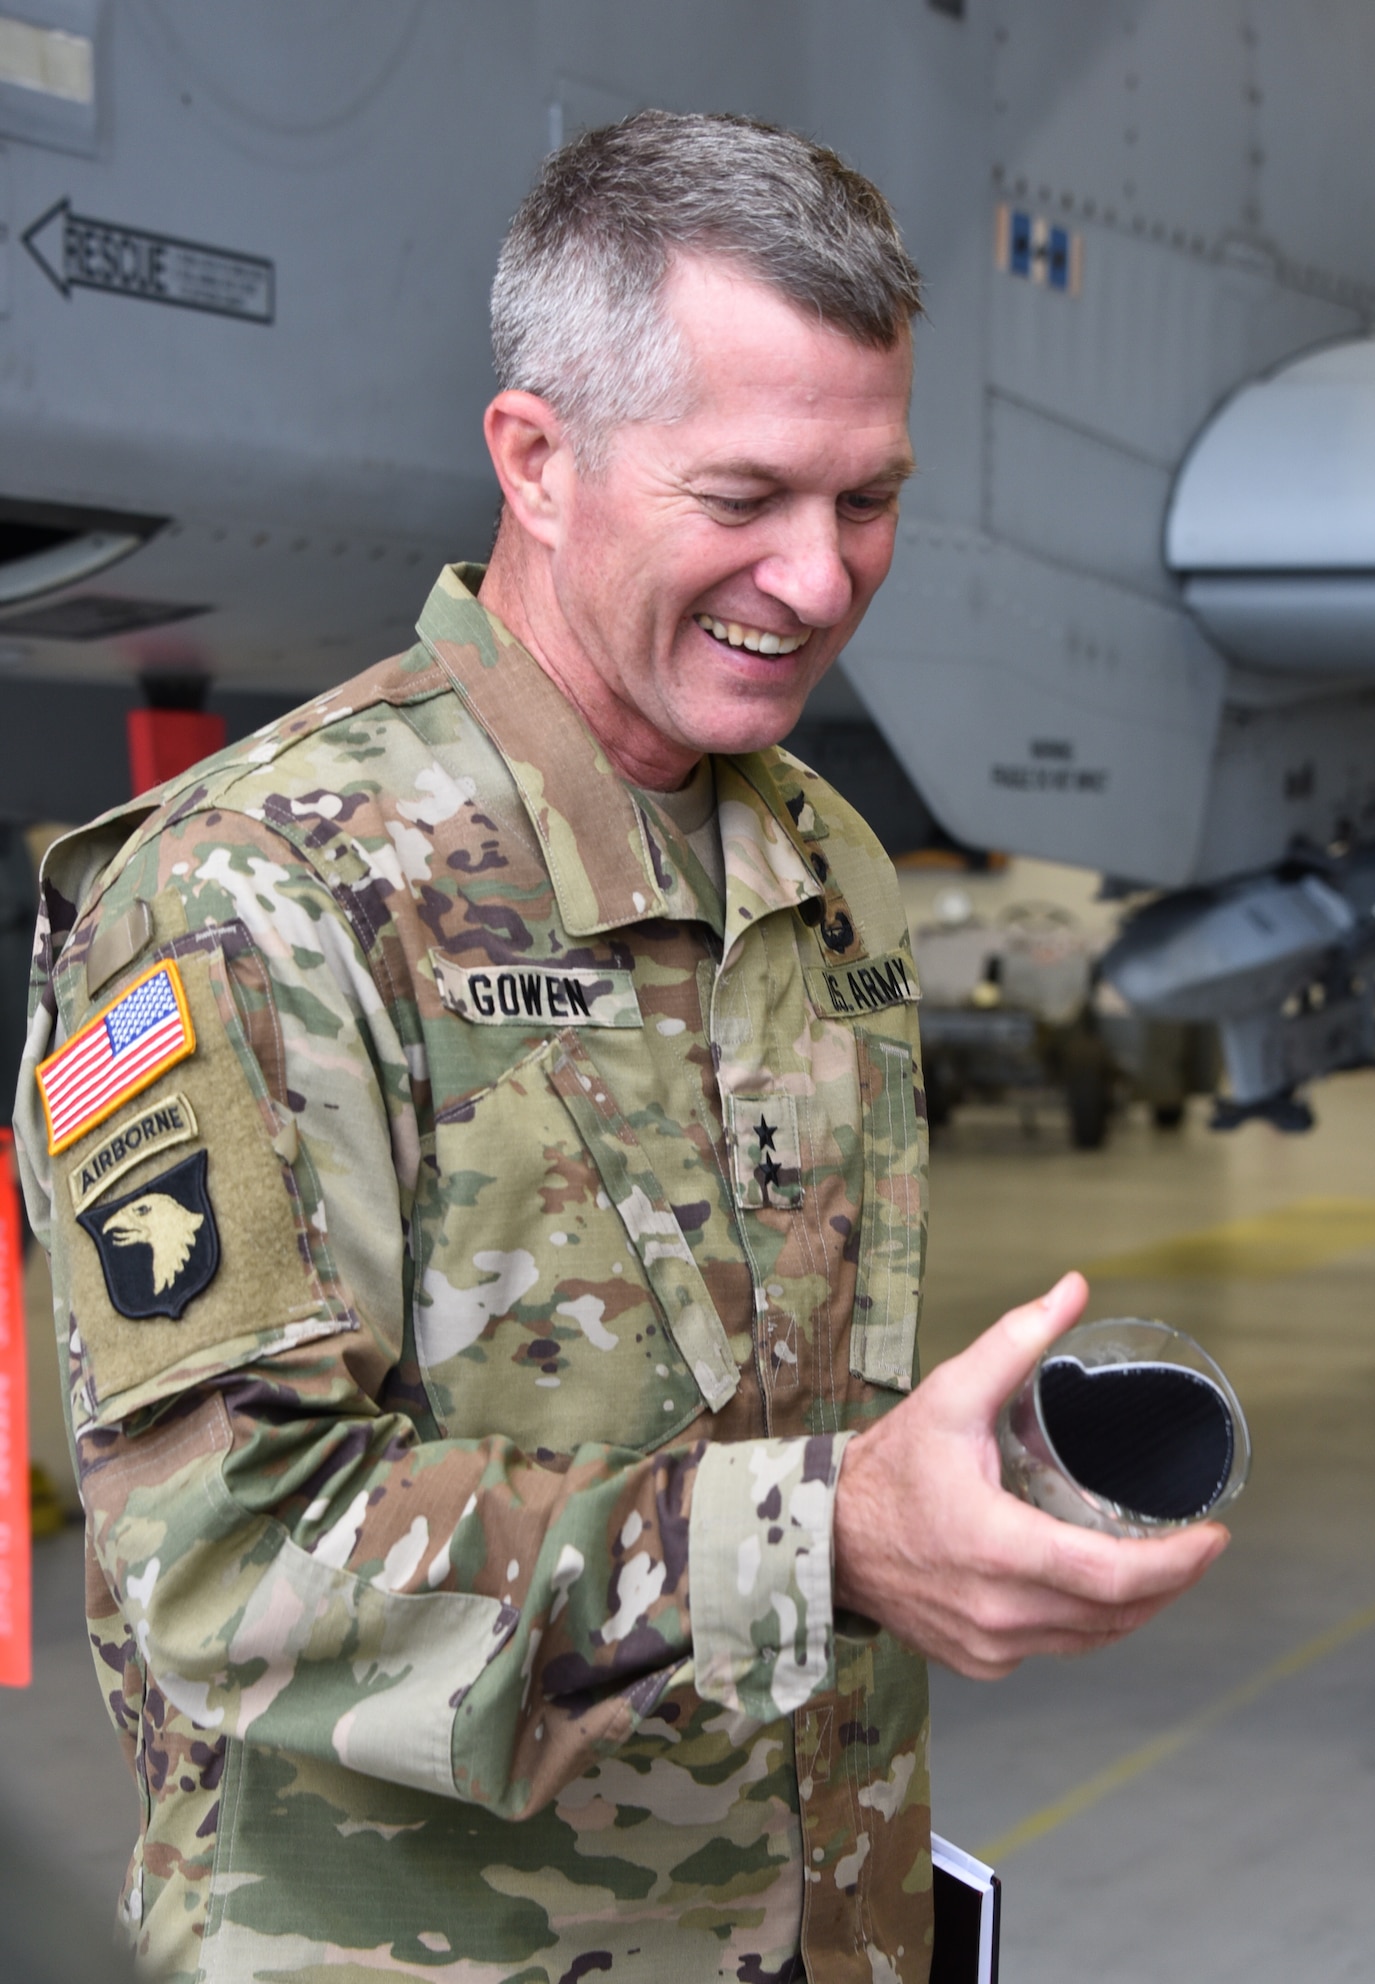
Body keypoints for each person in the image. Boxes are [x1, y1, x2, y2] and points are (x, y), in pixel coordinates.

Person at [14, 112, 1225, 1984]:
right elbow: (228, 1565)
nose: (820, 583)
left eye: (869, 499)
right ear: (539, 461)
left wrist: (945, 1502)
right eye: (743, 499)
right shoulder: (250, 891)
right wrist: (827, 1541)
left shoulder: (821, 865)